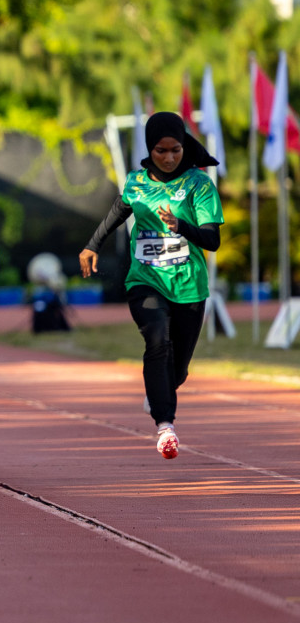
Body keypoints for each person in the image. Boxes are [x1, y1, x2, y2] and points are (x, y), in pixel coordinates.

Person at [80, 111, 222, 460]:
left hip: (188, 285)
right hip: (145, 280)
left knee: (179, 367)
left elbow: (213, 240)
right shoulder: (136, 183)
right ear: (149, 148)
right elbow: (117, 212)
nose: (170, 157)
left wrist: (180, 226)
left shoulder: (199, 184)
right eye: (161, 150)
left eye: (176, 150)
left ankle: (160, 392)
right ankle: (165, 427)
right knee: (157, 339)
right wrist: (92, 245)